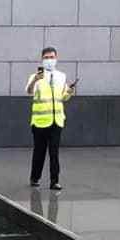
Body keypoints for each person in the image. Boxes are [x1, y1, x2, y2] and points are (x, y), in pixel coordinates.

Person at [26, 46, 75, 190]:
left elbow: (64, 97)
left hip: (57, 121)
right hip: (40, 122)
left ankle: (55, 181)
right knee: (39, 152)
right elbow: (29, 91)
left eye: (52, 57)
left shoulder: (61, 76)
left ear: (56, 58)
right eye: (46, 58)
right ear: (42, 59)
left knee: (54, 152)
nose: (49, 60)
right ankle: (35, 177)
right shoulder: (36, 76)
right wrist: (35, 80)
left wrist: (70, 91)